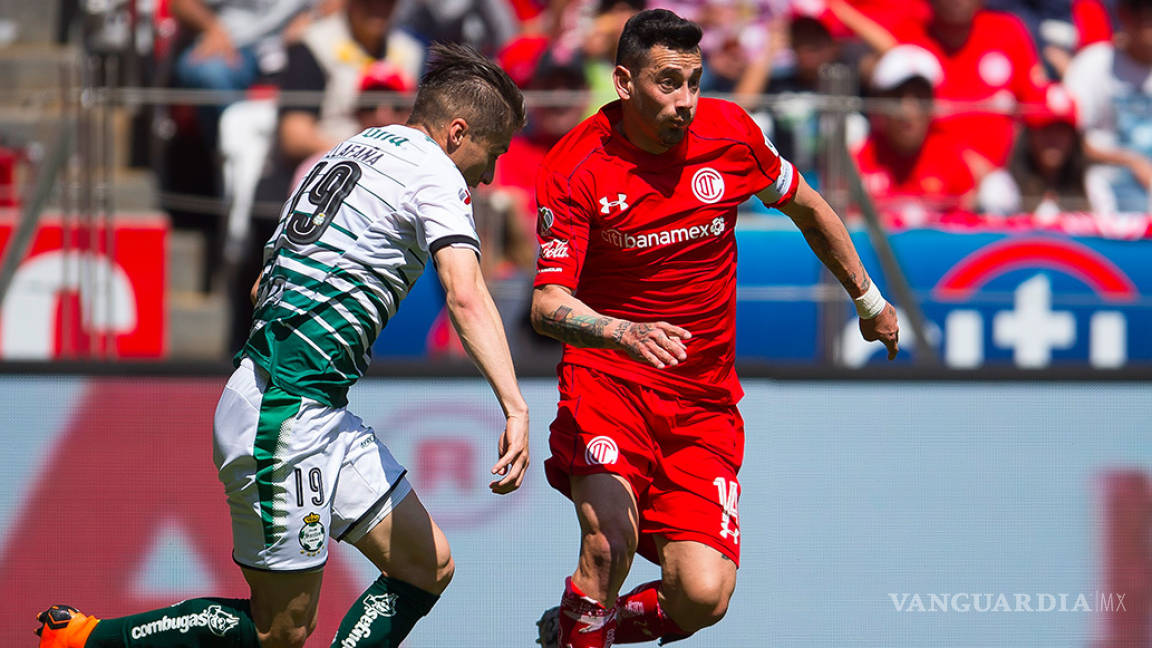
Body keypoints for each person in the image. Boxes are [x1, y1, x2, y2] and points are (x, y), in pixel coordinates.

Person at [37, 42, 530, 648]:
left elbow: (259, 283)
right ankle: (88, 640)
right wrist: (514, 405)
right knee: (281, 631)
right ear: (457, 133)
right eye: (493, 153)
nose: (491, 174)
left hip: (313, 406)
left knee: (426, 568)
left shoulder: (342, 152)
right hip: (285, 412)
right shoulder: (436, 172)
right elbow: (466, 293)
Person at [530, 9, 899, 648]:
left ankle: (587, 626)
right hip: (610, 382)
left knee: (702, 596)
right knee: (606, 547)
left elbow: (807, 206)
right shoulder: (578, 166)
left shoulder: (730, 132)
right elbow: (546, 304)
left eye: (695, 81)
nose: (687, 102)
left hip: (703, 404)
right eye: (668, 83)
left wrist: (867, 300)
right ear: (623, 82)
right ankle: (588, 612)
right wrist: (622, 333)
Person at [854, 44, 978, 223]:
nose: (908, 110)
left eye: (919, 98)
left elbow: (965, 226)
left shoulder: (952, 160)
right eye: (898, 97)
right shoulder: (859, 160)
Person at [1064, 0, 1152, 214]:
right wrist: (1131, 161)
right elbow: (1072, 141)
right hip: (1102, 180)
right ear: (1122, 14)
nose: (1146, 20)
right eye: (1139, 10)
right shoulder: (1093, 63)